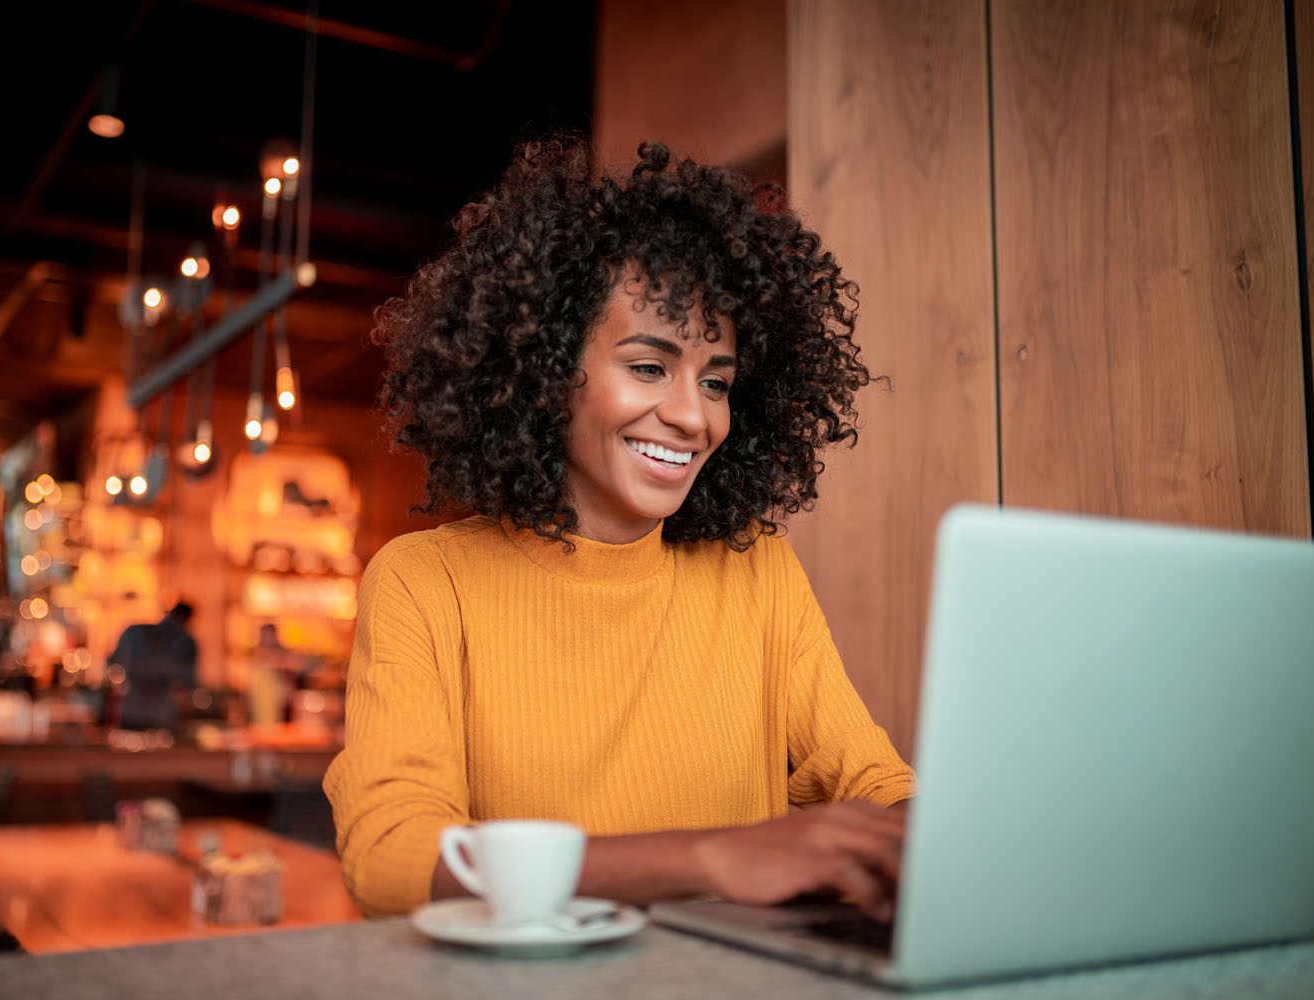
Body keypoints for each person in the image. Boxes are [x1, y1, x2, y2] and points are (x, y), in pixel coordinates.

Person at [325, 138, 913, 920]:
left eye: (716, 382)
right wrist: (707, 856)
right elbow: (391, 857)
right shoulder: (426, 583)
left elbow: (880, 788)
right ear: (542, 368)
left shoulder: (757, 572)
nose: (692, 415)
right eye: (647, 367)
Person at [109, 603, 198, 731]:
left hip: (136, 712)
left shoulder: (133, 632)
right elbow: (188, 684)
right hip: (158, 716)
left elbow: (113, 664)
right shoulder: (186, 642)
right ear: (187, 619)